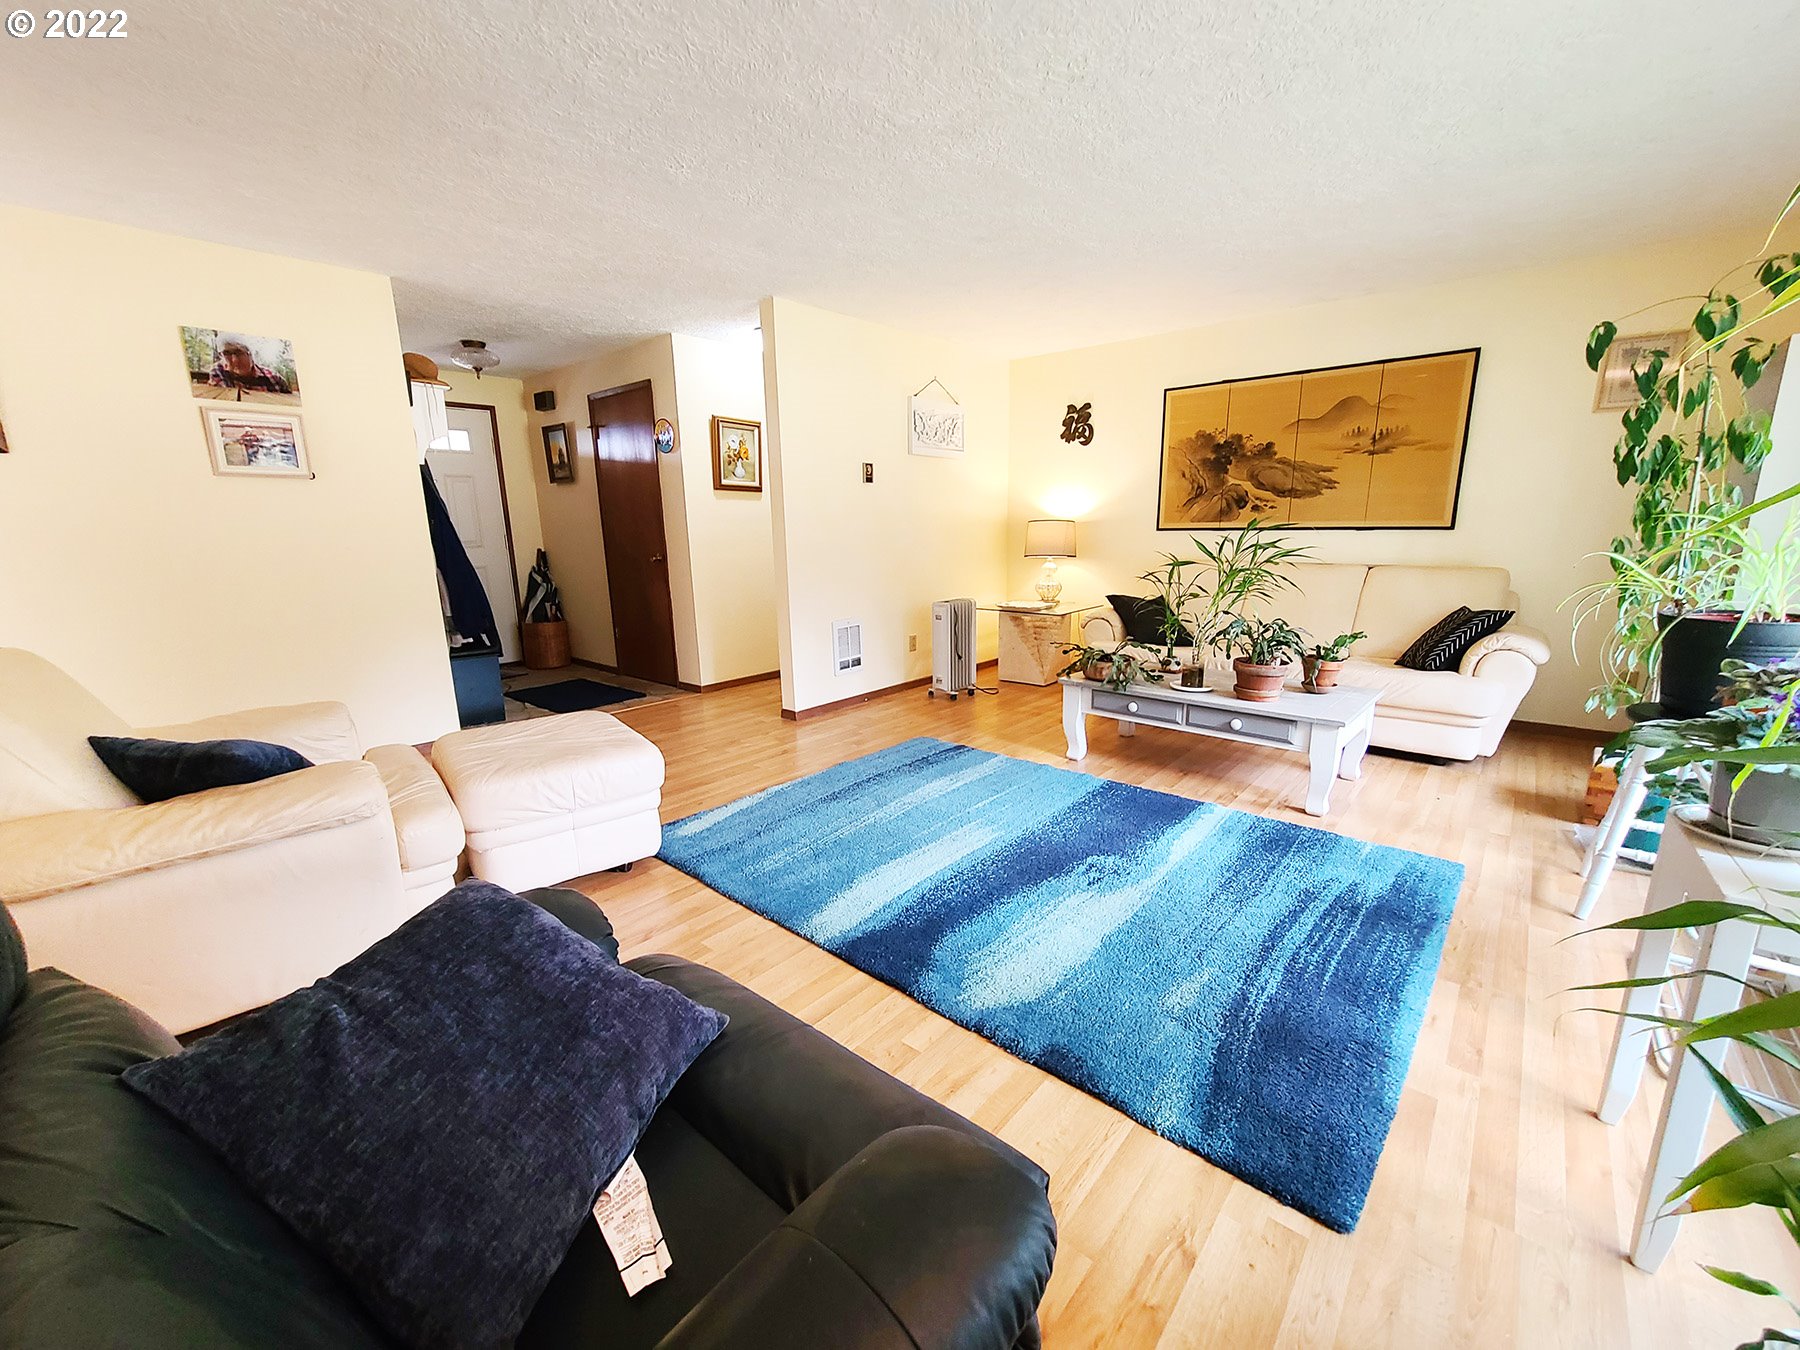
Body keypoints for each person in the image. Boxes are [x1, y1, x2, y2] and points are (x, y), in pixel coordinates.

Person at [206, 335, 293, 396]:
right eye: (227, 354)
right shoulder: (219, 371)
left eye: (239, 353)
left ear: (251, 354)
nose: (235, 360)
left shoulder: (272, 378)